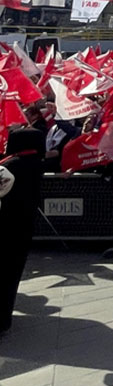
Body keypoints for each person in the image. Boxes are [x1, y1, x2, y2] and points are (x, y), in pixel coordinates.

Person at [0, 128, 44, 337]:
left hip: (5, 225)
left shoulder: (10, 166)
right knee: (12, 275)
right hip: (23, 227)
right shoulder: (36, 164)